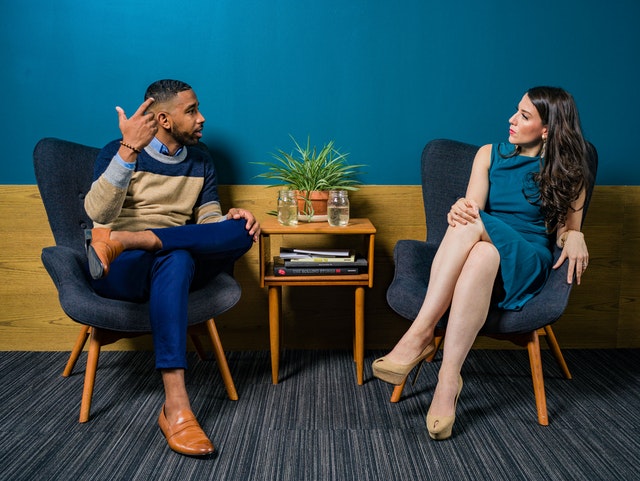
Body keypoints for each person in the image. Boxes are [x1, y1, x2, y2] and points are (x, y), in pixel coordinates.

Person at [372, 86, 591, 440]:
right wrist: (459, 208)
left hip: (528, 258)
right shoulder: (488, 155)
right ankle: (448, 382)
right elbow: (470, 209)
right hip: (487, 254)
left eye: (523, 115)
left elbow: (567, 231)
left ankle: (420, 332)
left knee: (474, 225)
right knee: (480, 246)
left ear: (547, 129)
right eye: (515, 111)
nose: (511, 119)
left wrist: (575, 235)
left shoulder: (570, 171)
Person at [84, 79, 261, 456]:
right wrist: (129, 151)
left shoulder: (201, 159)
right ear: (163, 118)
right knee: (177, 256)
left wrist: (228, 219)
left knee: (242, 231)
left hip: (159, 257)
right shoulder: (118, 152)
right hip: (119, 268)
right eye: (192, 111)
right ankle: (177, 406)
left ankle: (132, 239)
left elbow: (207, 215)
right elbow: (97, 214)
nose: (202, 118)